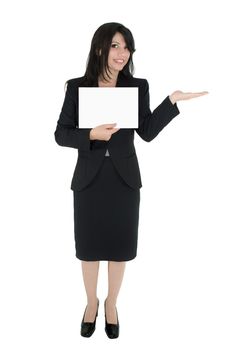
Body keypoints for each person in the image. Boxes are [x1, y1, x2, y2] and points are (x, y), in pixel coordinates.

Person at [54, 22, 208, 339]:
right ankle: (90, 303)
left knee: (120, 247)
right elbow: (61, 134)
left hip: (123, 180)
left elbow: (147, 132)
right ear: (100, 48)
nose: (122, 53)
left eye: (127, 47)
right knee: (89, 247)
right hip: (89, 180)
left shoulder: (137, 86)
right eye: (115, 45)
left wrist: (172, 102)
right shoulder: (77, 87)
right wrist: (91, 135)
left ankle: (112, 304)